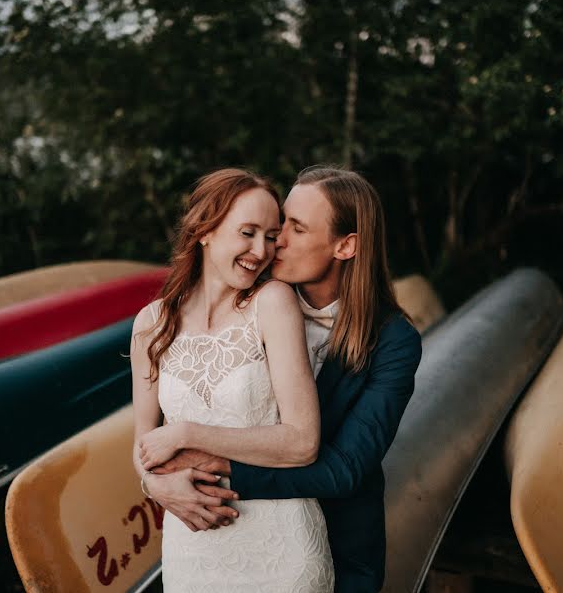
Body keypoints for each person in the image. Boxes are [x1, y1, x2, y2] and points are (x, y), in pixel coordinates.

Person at [145, 165, 423, 592]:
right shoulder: (255, 302)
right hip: (221, 542)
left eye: (294, 228)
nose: (275, 242)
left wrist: (215, 465)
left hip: (333, 544)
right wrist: (156, 482)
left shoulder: (393, 341)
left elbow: (344, 469)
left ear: (345, 246)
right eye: (277, 226)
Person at [130, 168, 335, 591]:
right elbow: (144, 444)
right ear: (205, 231)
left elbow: (302, 442)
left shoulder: (272, 303)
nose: (261, 251)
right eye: (248, 232)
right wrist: (154, 486)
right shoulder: (151, 325)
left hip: (282, 553)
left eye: (272, 235)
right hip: (193, 552)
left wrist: (188, 433)